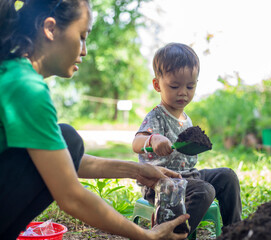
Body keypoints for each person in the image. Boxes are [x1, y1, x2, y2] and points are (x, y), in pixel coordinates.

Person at [0, 1, 189, 240]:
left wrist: (139, 171)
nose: (84, 50)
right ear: (50, 29)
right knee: (68, 139)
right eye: (81, 36)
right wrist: (146, 235)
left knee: (68, 141)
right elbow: (71, 196)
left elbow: (62, 163)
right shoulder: (25, 88)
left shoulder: (10, 72)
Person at [132, 43, 242, 235]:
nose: (183, 92)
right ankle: (173, 234)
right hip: (162, 183)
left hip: (188, 177)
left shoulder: (186, 118)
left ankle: (234, 232)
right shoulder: (156, 116)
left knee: (227, 176)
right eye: (175, 86)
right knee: (204, 191)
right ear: (157, 85)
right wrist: (153, 139)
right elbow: (136, 143)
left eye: (190, 86)